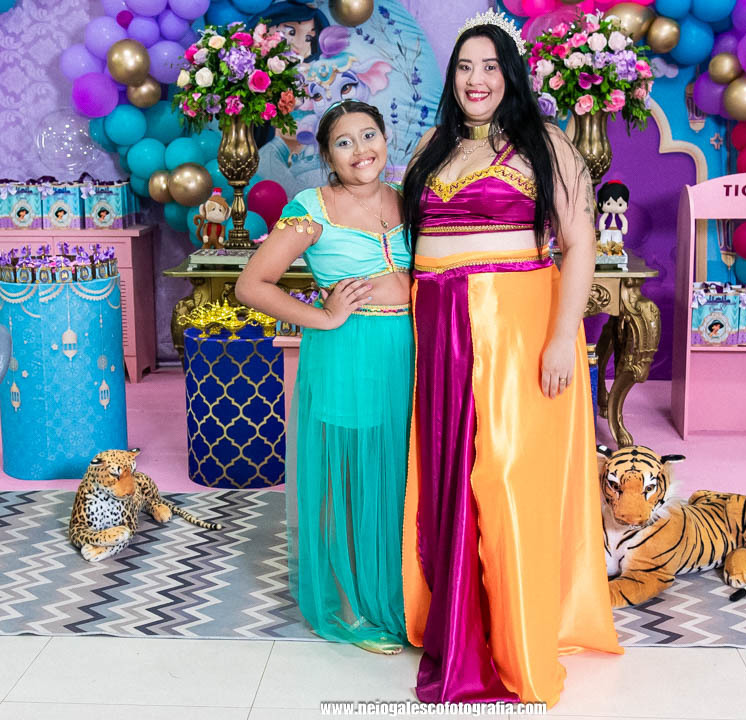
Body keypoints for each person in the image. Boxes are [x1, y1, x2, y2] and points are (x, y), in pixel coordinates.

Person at [399, 11, 623, 708]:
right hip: (438, 329)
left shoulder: (547, 144)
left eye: (490, 66)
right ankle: (458, 619)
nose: (477, 79)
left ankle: (516, 638)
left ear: (511, 75)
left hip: (515, 329)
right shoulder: (430, 146)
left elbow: (580, 243)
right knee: (447, 475)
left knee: (505, 476)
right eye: (465, 67)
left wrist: (562, 336)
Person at [236, 100, 412, 655]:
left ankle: (397, 595)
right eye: (344, 142)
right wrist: (326, 316)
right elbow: (252, 285)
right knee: (350, 476)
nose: (361, 150)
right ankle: (348, 606)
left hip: (408, 355)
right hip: (347, 355)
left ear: (386, 139)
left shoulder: (408, 200)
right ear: (327, 156)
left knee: (396, 476)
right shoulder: (312, 209)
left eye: (369, 135)